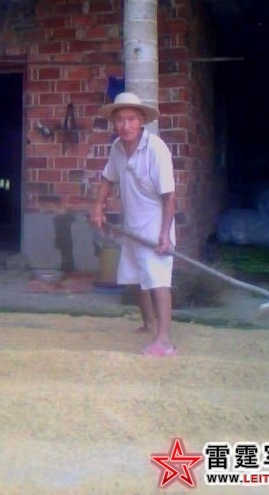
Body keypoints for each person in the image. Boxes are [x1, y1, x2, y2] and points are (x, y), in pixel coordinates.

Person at [90, 92, 177, 357]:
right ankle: (148, 323)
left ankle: (164, 340)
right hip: (131, 222)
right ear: (114, 123)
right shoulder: (117, 147)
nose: (125, 125)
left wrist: (165, 234)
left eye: (131, 119)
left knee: (157, 278)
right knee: (135, 276)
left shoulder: (156, 149)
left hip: (155, 221)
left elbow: (169, 195)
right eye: (120, 120)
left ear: (141, 121)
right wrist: (98, 206)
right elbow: (108, 178)